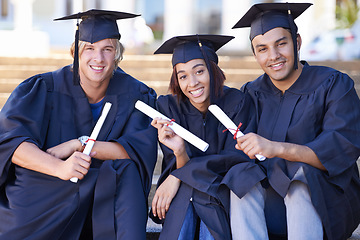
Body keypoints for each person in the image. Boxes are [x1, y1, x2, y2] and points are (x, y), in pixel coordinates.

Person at [0, 9, 158, 239]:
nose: (99, 58)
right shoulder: (44, 87)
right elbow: (12, 142)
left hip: (104, 188)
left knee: (127, 171)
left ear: (117, 54)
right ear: (75, 51)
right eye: (90, 48)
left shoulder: (135, 93)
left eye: (107, 49)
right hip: (50, 184)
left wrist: (81, 144)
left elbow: (135, 150)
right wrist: (60, 168)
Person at [225, 2, 360, 240]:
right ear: (255, 54)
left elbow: (340, 147)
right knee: (240, 180)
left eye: (281, 44)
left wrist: (277, 148)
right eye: (262, 49)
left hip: (327, 203)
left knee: (299, 182)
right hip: (272, 206)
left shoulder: (334, 85)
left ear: (297, 42)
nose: (274, 56)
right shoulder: (251, 93)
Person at [150, 34, 264, 240]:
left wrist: (178, 175)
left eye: (199, 71)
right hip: (185, 193)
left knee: (203, 202)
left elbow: (237, 158)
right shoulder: (168, 107)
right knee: (186, 200)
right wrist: (180, 152)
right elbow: (179, 165)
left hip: (224, 192)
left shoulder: (238, 102)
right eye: (182, 76)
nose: (192, 83)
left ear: (213, 70)